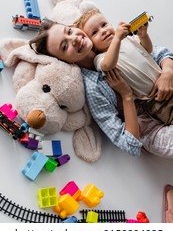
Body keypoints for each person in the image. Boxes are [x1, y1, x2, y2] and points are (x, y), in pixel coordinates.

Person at [29, 20, 173, 159]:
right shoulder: (93, 88)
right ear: (64, 62)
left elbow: (158, 53)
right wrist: (126, 96)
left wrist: (167, 71)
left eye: (69, 31)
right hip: (152, 129)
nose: (74, 39)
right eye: (64, 46)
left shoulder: (105, 39)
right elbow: (130, 144)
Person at [74, 9, 173, 125]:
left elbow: (148, 50)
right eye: (95, 32)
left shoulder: (128, 39)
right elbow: (107, 65)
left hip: (166, 81)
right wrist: (116, 38)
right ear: (92, 46)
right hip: (154, 100)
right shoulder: (100, 58)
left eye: (104, 25)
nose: (103, 31)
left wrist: (143, 36)